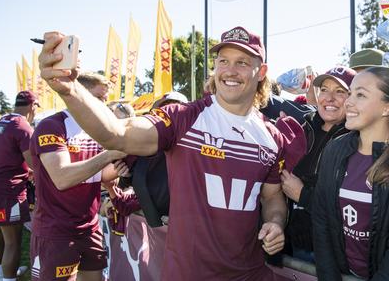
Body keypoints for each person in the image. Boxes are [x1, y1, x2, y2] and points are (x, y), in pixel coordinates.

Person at [37, 26, 305, 280]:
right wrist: (70, 90)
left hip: (250, 273)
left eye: (242, 62)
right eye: (223, 61)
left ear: (262, 72)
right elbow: (116, 133)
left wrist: (276, 223)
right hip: (188, 274)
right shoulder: (184, 119)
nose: (229, 70)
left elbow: (272, 198)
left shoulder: (272, 136)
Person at [312, 66, 389, 280]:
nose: (348, 101)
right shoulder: (335, 150)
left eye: (360, 95)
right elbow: (322, 221)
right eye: (350, 93)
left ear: (388, 108)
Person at [29, 72, 128, 281]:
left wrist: (121, 166)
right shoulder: (52, 125)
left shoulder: (99, 130)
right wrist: (109, 155)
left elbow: (101, 175)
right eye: (98, 98)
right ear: (76, 94)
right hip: (56, 231)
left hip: (90, 227)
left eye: (105, 99)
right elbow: (62, 178)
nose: (104, 105)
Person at [280, 66, 356, 262]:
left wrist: (303, 195)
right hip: (287, 245)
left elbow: (355, 210)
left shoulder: (358, 141)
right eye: (324, 89)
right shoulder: (303, 129)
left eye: (340, 92)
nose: (329, 98)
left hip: (330, 254)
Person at [0, 91, 39, 281]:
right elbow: (34, 163)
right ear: (33, 106)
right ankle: (8, 278)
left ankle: (1, 274)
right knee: (12, 241)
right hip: (6, 190)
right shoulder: (23, 125)